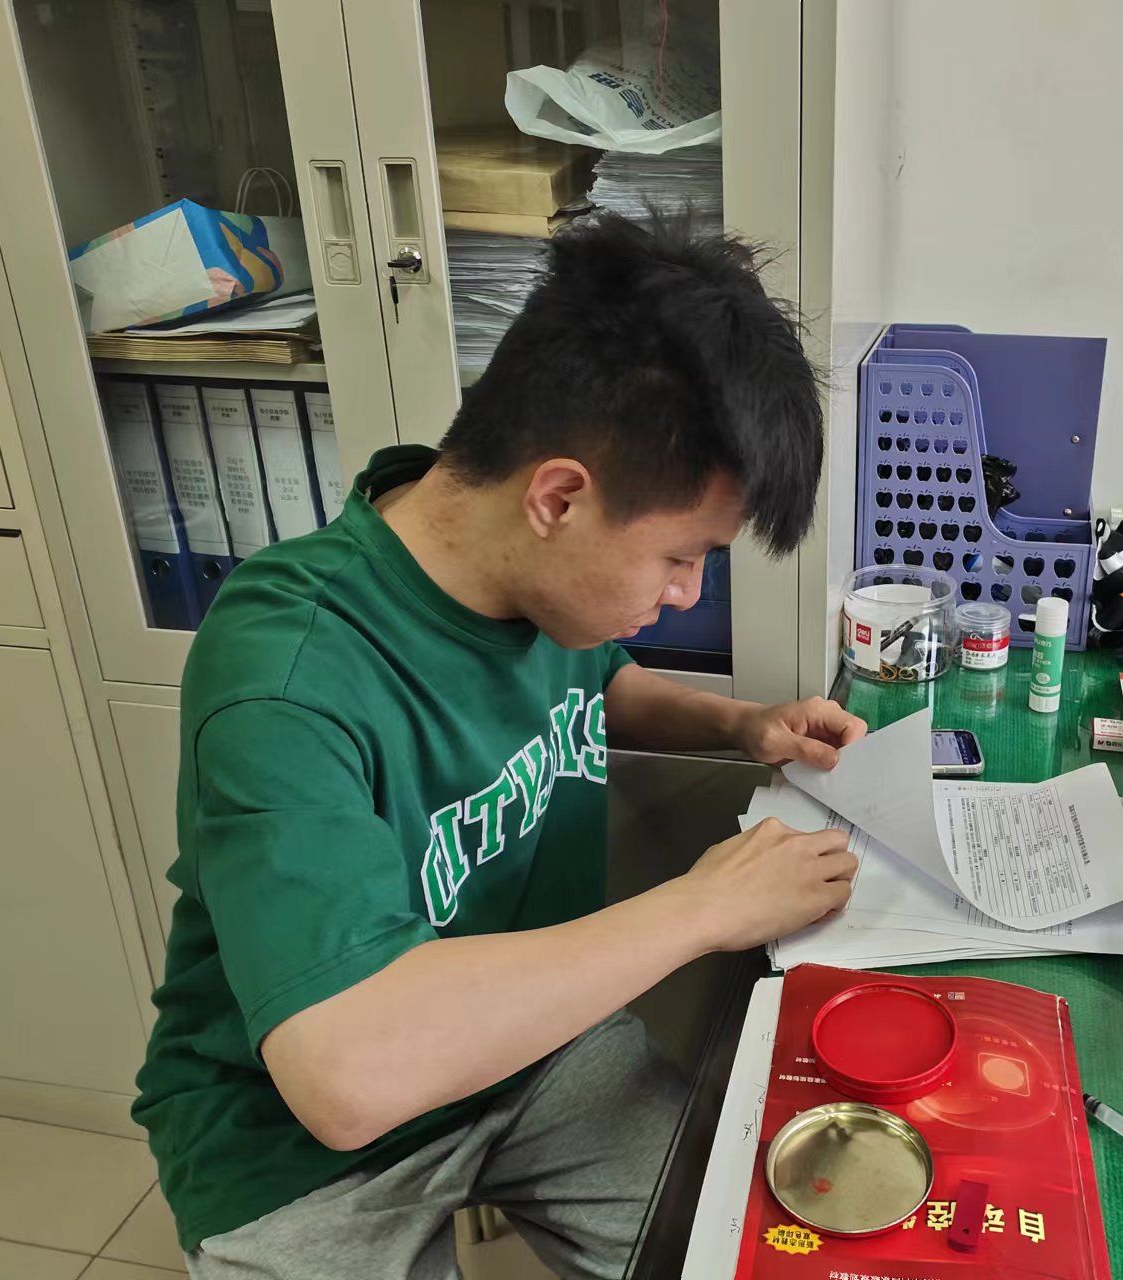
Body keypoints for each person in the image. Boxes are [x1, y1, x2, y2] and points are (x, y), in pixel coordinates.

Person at [133, 212, 863, 1280]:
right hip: (298, 1142)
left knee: (756, 1251)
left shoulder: (534, 580)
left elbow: (595, 686)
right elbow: (348, 1074)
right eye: (681, 555)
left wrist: (738, 725)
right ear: (557, 496)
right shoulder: (285, 670)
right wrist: (706, 907)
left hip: (536, 1052)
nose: (685, 592)